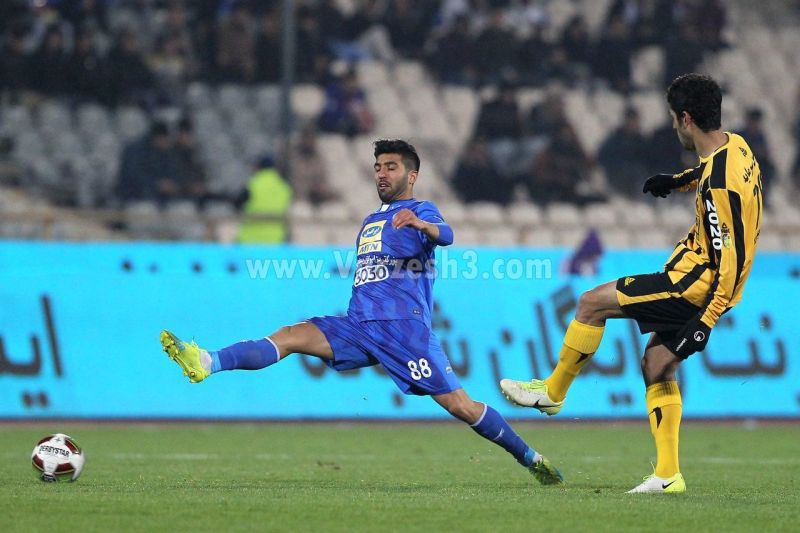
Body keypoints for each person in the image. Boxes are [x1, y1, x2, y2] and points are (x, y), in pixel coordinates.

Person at [160, 139, 563, 486]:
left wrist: (423, 226)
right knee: (291, 335)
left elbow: (447, 235)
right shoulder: (371, 220)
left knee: (461, 406)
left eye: (391, 167)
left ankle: (531, 458)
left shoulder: (422, 209)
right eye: (377, 167)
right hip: (358, 324)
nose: (382, 174)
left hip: (403, 331)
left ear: (412, 175)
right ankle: (207, 361)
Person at [500, 74, 763, 493]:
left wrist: (705, 321)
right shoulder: (737, 147)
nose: (673, 126)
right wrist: (678, 181)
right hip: (707, 284)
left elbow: (729, 259)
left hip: (691, 286)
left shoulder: (719, 185)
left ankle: (552, 392)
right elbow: (711, 172)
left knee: (591, 303)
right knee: (656, 365)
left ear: (686, 118)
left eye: (674, 119)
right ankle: (668, 475)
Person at [235, 155, 292, 243]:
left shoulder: (253, 185)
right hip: (275, 240)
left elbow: (237, 204)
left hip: (250, 239)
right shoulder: (284, 187)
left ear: (258, 167)